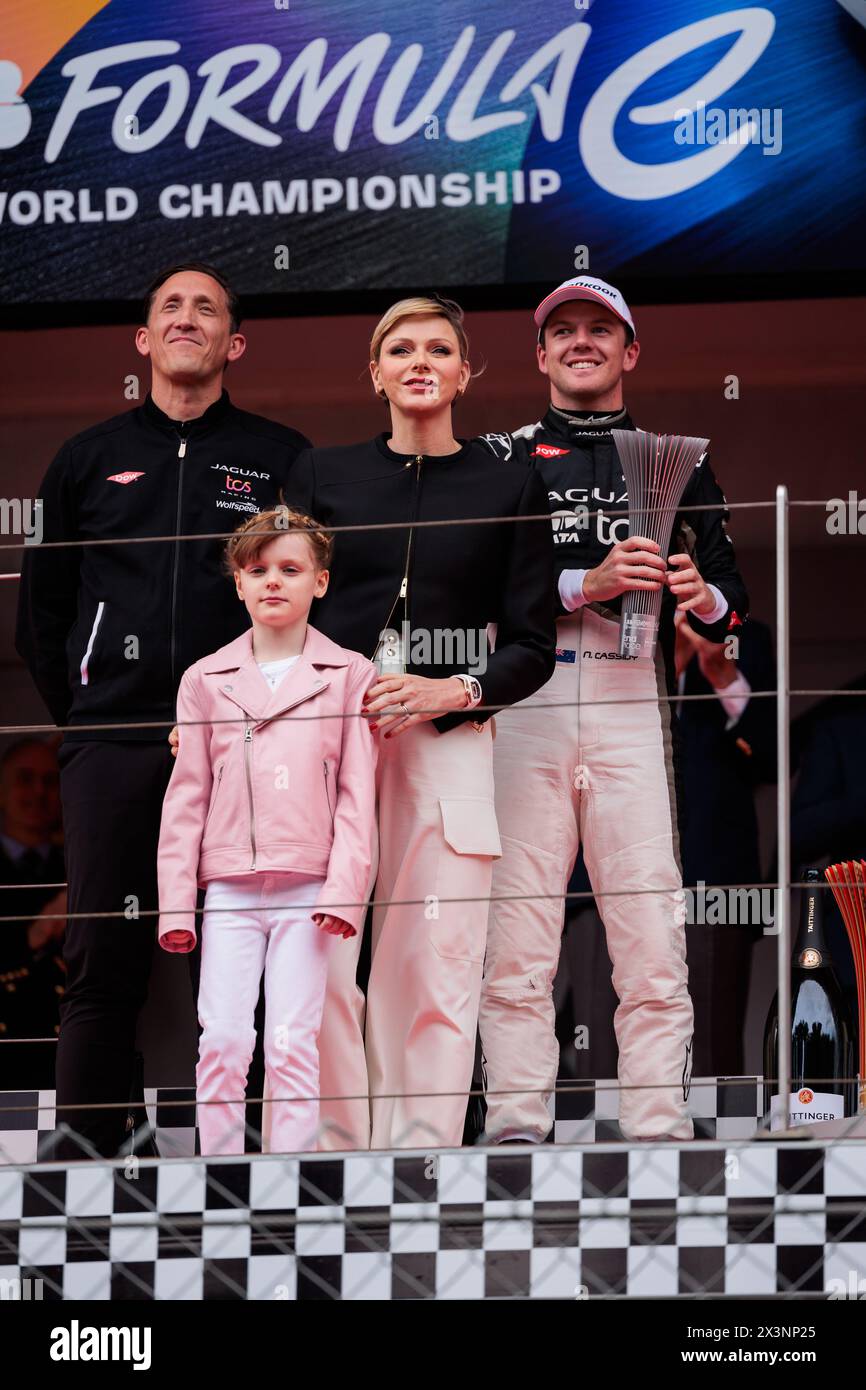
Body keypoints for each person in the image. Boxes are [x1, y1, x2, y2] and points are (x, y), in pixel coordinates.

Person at [15, 262, 310, 1157]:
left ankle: (264, 1150)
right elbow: (43, 616)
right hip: (114, 740)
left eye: (207, 308)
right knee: (104, 952)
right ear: (143, 341)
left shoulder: (279, 456)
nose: (187, 319)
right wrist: (98, 714)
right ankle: (89, 1146)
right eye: (169, 308)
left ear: (235, 343)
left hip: (249, 739)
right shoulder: (86, 458)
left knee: (258, 949)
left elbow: (303, 598)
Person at [477, 275, 749, 1143]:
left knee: (649, 923)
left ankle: (658, 1131)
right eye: (565, 331)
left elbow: (732, 603)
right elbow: (477, 579)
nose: (582, 342)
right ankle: (518, 1130)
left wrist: (698, 593)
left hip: (634, 699)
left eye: (601, 329)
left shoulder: (678, 456)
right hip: (530, 695)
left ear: (630, 350)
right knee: (518, 928)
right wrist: (578, 583)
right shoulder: (504, 453)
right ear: (542, 353)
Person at [284, 296, 556, 1150]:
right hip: (329, 746)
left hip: (450, 747)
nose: (419, 360)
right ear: (375, 372)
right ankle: (331, 1152)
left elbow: (533, 645)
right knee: (321, 954)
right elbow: (277, 605)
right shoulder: (321, 475)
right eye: (399, 348)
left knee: (435, 956)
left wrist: (455, 690)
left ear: (465, 372)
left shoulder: (510, 480)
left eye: (439, 348)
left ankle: (422, 1156)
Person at [157, 509, 376, 1154]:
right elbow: (185, 799)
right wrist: (176, 902)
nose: (273, 582)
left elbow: (357, 797)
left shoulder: (349, 675)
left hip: (310, 892)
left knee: (290, 1040)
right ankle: (218, 1176)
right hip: (227, 890)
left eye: (290, 569)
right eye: (257, 570)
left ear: (322, 582)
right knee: (223, 1037)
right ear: (238, 584)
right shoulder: (203, 679)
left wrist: (343, 894)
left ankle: (288, 1182)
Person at [0, 739, 67, 1088]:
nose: (39, 792)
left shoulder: (78, 868)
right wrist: (37, 931)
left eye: (50, 781)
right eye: (25, 779)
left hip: (59, 1053)